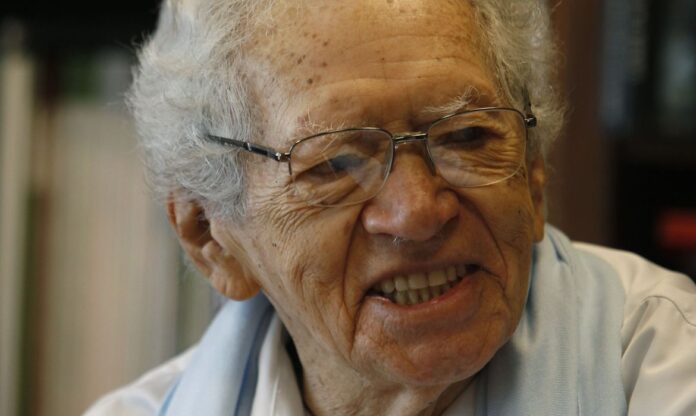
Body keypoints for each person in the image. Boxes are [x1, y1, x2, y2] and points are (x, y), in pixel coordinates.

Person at [85, 0, 696, 414]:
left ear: (534, 174)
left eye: (467, 136)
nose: (417, 213)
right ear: (210, 238)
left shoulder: (659, 369)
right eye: (334, 165)